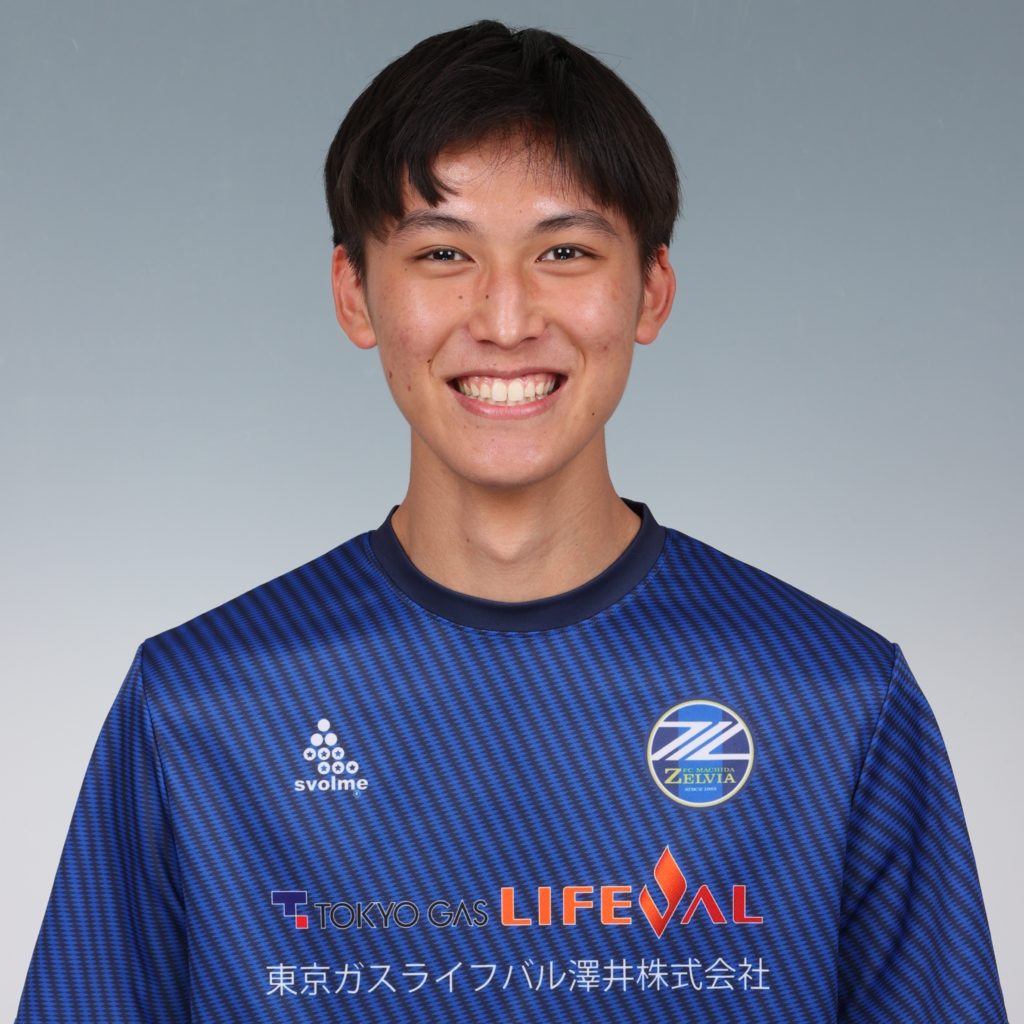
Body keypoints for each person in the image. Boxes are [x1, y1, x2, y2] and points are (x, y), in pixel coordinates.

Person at [16, 20, 1007, 1024]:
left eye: (564, 251)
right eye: (443, 252)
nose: (503, 318)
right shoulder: (200, 709)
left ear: (651, 290)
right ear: (354, 293)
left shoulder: (835, 702)